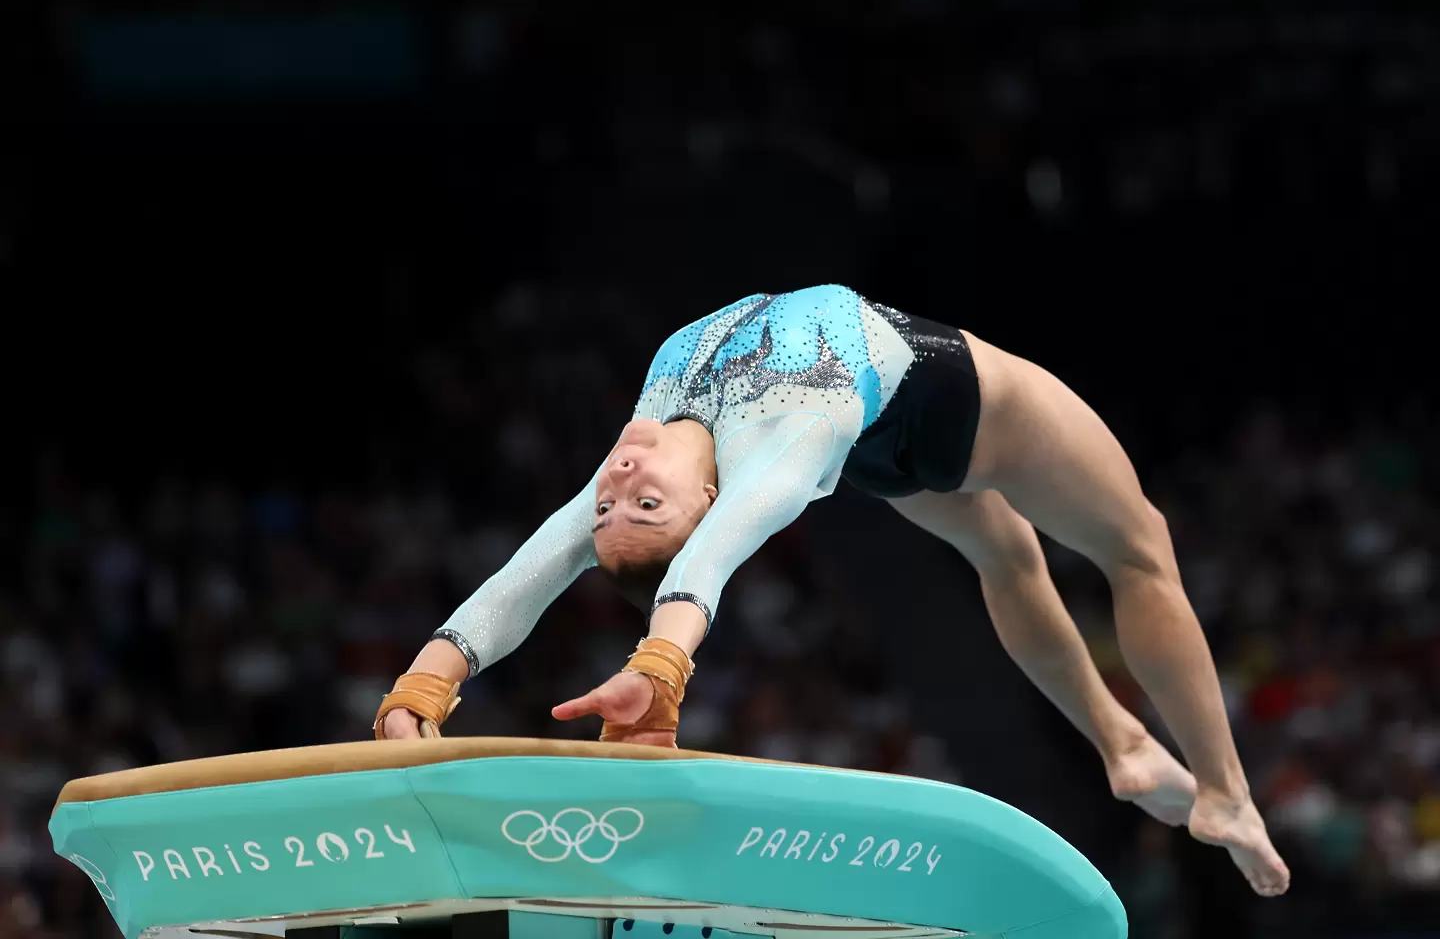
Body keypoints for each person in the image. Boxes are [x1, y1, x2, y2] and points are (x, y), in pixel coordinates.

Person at [373, 284, 1290, 897]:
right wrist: (662, 664)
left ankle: (1123, 742)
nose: (616, 483)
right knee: (1141, 548)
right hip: (958, 401)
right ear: (706, 495)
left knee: (1006, 555)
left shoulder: (645, 449)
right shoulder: (775, 451)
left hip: (881, 436)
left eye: (613, 503)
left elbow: (528, 568)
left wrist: (425, 682)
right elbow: (713, 560)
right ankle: (1225, 789)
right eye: (642, 502)